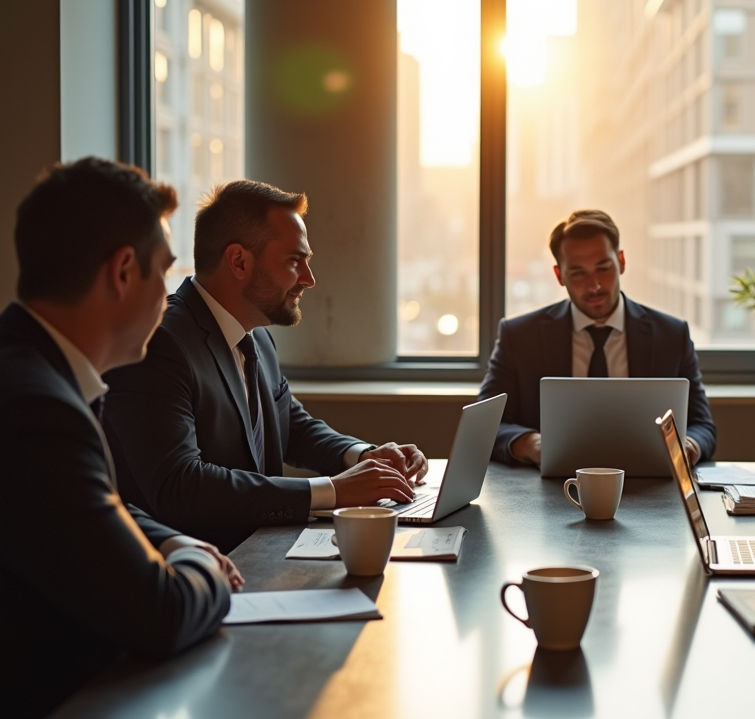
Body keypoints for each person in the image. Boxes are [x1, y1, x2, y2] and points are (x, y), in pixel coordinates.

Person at [0, 158, 235, 719]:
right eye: (164, 272)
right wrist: (213, 568)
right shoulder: (38, 409)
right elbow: (160, 613)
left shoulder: (30, 372)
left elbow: (97, 508)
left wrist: (176, 541)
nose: (169, 296)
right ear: (124, 272)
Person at [104, 180, 428, 554]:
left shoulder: (255, 336)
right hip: (196, 570)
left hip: (259, 552)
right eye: (295, 261)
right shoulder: (161, 344)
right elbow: (180, 484)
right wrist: (334, 490)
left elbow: (291, 426)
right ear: (239, 261)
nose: (309, 279)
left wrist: (363, 456)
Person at [479, 209, 716, 466]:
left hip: (652, 488)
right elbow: (485, 426)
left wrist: (689, 446)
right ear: (559, 275)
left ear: (621, 261)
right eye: (579, 273)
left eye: (603, 268)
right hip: (549, 492)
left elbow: (702, 426)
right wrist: (534, 444)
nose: (594, 286)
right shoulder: (519, 337)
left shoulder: (671, 335)